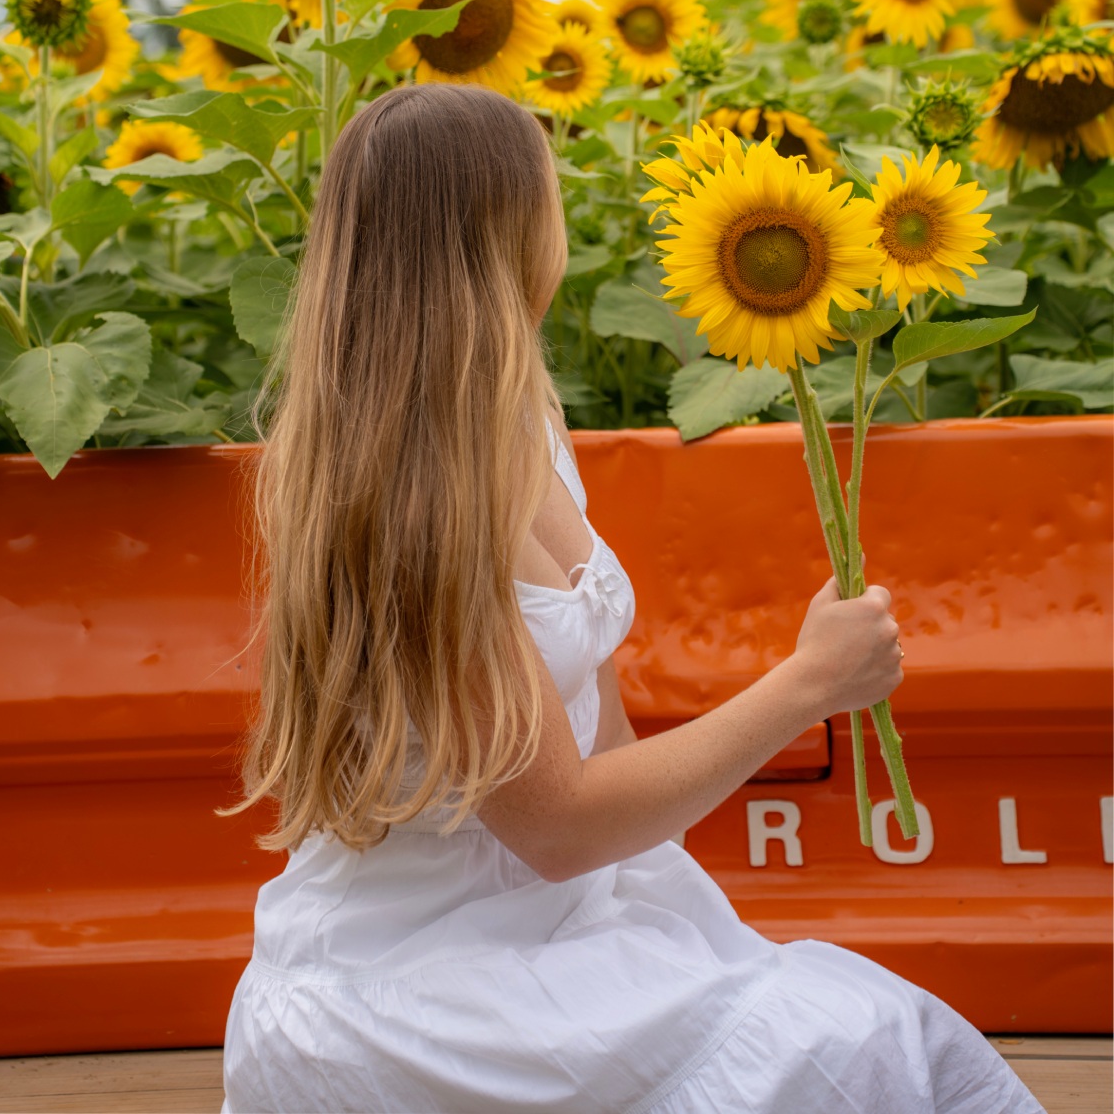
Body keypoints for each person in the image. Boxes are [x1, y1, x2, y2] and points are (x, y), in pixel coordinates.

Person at [221, 83, 1039, 1114]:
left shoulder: (519, 418)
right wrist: (807, 685)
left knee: (850, 1034)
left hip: (559, 912)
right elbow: (557, 825)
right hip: (424, 989)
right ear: (507, 232)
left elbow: (603, 763)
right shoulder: (411, 499)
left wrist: (676, 928)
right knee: (864, 1040)